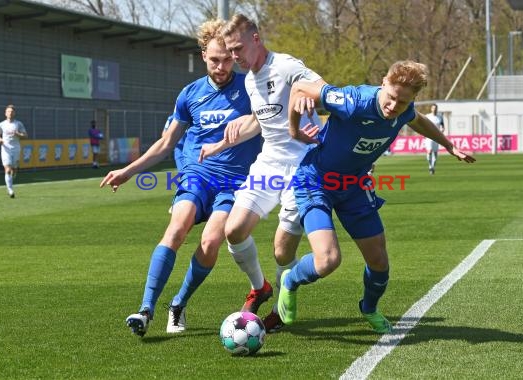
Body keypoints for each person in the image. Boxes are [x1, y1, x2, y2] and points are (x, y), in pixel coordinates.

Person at [277, 60, 476, 333]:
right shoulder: (353, 100)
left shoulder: (404, 112)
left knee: (379, 263)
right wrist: (293, 130)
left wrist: (450, 146)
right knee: (327, 260)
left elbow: (418, 121)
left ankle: (369, 308)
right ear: (383, 82)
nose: (394, 106)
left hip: (355, 186)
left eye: (403, 102)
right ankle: (290, 280)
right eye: (392, 97)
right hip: (316, 181)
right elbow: (299, 87)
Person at [100, 19, 261, 337]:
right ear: (203, 55)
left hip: (236, 181)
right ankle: (145, 310)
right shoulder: (190, 95)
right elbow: (165, 143)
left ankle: (178, 303)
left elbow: (271, 117)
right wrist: (128, 171)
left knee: (212, 240)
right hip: (199, 175)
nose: (221, 66)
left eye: (227, 58)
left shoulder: (251, 87)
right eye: (214, 59)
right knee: (176, 229)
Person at [201, 13, 326, 333]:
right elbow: (261, 121)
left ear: (256, 39)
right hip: (269, 162)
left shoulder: (285, 66)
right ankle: (260, 287)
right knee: (235, 229)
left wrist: (306, 94)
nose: (234, 57)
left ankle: (284, 303)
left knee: (283, 250)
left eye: (238, 49)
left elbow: (324, 90)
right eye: (230, 52)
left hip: (302, 164)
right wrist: (219, 146)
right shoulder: (249, 79)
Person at [0, 104, 28, 198]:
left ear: (14, 113)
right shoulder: (2, 124)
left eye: (12, 111)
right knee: (8, 169)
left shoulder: (18, 124)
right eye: (8, 111)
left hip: (16, 149)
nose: (10, 113)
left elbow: (25, 136)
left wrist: (18, 134)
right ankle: (10, 190)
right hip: (5, 149)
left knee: (14, 170)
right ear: (5, 113)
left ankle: (13, 176)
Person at [424, 103, 445, 175]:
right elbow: (424, 125)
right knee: (429, 151)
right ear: (431, 109)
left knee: (435, 154)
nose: (434, 109)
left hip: (437, 137)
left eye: (435, 108)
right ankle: (430, 166)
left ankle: (433, 167)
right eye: (433, 108)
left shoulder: (440, 117)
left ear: (437, 109)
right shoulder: (427, 116)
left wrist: (441, 131)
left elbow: (443, 126)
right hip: (429, 136)